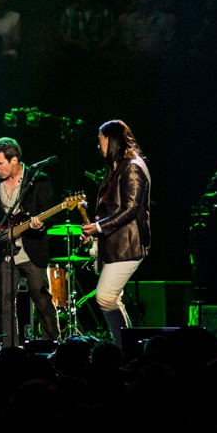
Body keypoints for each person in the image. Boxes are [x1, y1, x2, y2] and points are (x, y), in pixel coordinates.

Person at [0, 137, 60, 347]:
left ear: (14, 160)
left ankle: (51, 346)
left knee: (41, 299)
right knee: (4, 305)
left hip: (31, 249)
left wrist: (40, 224)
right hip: (3, 250)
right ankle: (9, 349)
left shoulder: (39, 179)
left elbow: (50, 214)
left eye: (0, 163)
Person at [80, 120, 151, 346]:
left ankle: (126, 346)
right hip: (116, 244)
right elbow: (111, 207)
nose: (98, 145)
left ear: (110, 140)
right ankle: (126, 347)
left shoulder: (132, 167)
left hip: (128, 245)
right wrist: (95, 230)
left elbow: (131, 209)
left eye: (100, 139)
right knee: (112, 299)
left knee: (106, 297)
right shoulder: (119, 167)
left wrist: (100, 227)